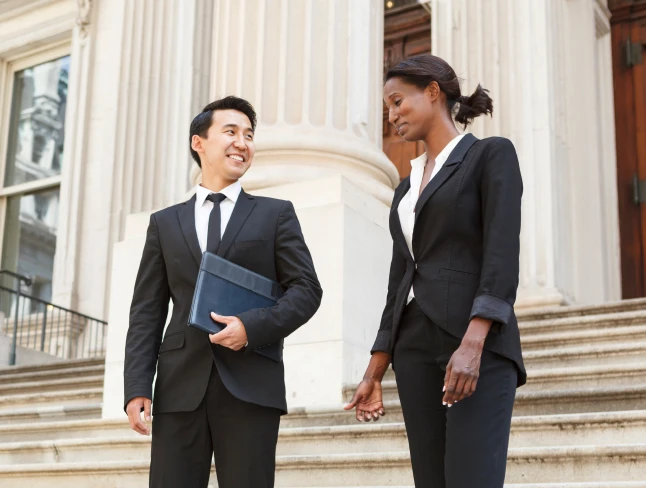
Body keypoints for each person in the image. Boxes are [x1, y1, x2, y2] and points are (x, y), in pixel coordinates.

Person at [345, 54, 526, 488]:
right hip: (414, 351)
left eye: (397, 101)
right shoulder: (404, 189)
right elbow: (399, 280)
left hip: (474, 344)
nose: (391, 116)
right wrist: (375, 370)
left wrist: (474, 340)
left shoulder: (490, 155)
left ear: (431, 92)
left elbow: (501, 253)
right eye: (386, 108)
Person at [124, 96, 322, 488]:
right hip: (179, 387)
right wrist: (136, 387)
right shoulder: (164, 224)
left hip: (251, 385)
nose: (242, 142)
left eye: (249, 135)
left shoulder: (275, 213)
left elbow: (307, 290)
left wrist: (253, 327)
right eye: (230, 132)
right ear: (199, 142)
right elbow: (146, 310)